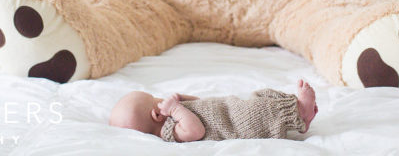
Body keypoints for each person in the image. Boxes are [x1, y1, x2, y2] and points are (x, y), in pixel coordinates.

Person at [109, 79, 318, 142]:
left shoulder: (176, 113)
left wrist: (182, 100)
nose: (162, 99)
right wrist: (175, 109)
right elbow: (195, 131)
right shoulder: (170, 132)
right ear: (156, 115)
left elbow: (199, 102)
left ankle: (300, 116)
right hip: (234, 123)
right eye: (155, 100)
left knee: (259, 97)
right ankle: (300, 111)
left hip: (228, 109)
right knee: (258, 112)